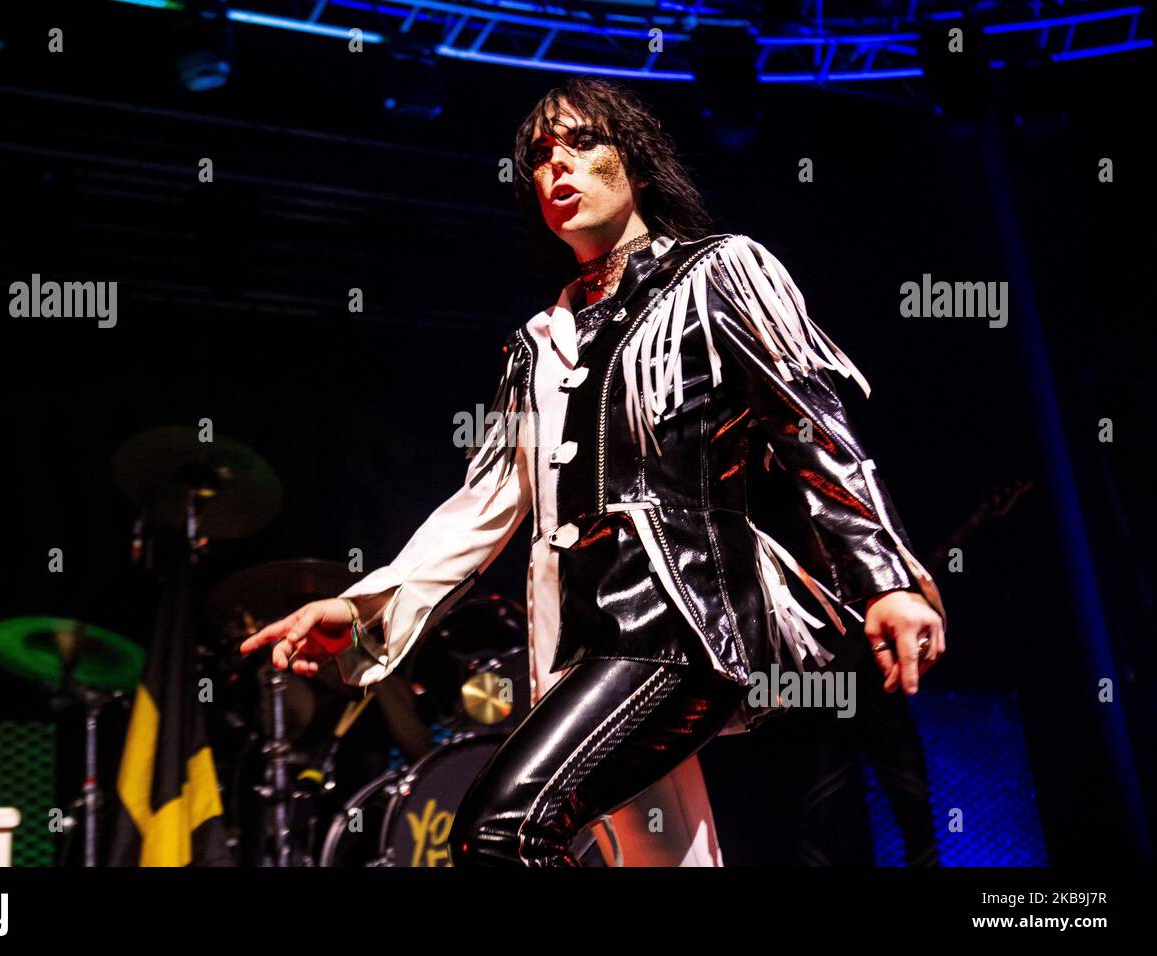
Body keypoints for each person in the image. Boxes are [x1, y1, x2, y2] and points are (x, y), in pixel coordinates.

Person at [241, 76, 947, 867]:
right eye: (540, 158)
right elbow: (484, 504)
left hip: (678, 627)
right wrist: (362, 605)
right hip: (579, 648)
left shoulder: (716, 272)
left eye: (583, 144)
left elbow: (809, 422)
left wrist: (883, 578)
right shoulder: (540, 339)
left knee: (502, 828)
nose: (557, 168)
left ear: (637, 165)